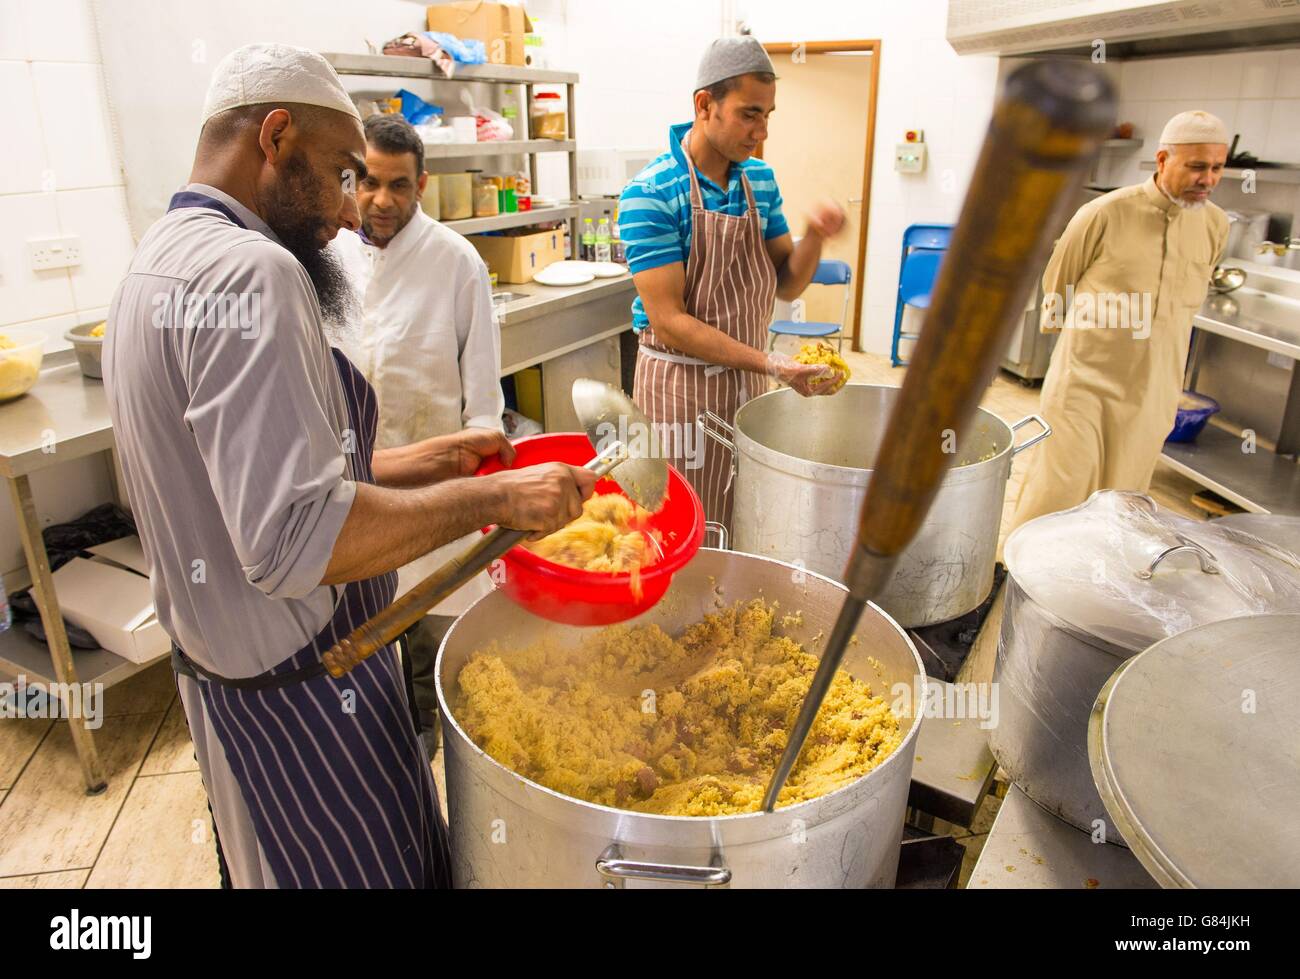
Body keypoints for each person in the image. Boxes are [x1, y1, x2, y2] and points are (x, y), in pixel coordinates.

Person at [102, 43, 596, 888]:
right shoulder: (248, 271)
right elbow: (299, 540)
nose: (345, 211)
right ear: (276, 134)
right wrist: (500, 495)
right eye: (339, 172)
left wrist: (435, 458)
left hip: (231, 695)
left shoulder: (155, 260)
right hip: (302, 701)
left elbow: (274, 474)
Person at [329, 113, 503, 757]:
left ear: (422, 185)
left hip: (433, 497)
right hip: (350, 495)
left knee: (437, 657)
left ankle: (433, 769)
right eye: (368, 183)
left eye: (398, 186)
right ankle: (377, 765)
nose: (381, 201)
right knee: (362, 653)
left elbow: (484, 402)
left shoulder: (456, 263)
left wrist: (477, 492)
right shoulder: (328, 255)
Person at [620, 35, 846, 529]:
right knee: (682, 527)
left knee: (745, 514)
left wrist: (814, 236)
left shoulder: (759, 180)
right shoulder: (651, 193)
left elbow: (787, 283)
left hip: (747, 381)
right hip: (679, 390)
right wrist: (771, 363)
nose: (760, 130)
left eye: (768, 115)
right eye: (749, 114)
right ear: (705, 105)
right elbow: (672, 322)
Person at [1009, 110, 1230, 531]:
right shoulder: (1105, 213)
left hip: (1153, 390)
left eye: (1217, 168)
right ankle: (1021, 576)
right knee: (1059, 489)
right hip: (1085, 383)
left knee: (1124, 501)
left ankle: (1094, 585)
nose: (1208, 179)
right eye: (1197, 166)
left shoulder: (1216, 225)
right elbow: (1059, 281)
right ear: (1163, 160)